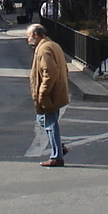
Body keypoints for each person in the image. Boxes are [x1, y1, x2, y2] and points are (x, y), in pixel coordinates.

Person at [25, 24, 70, 168]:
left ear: (36, 35)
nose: (28, 39)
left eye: (29, 36)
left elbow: (49, 73)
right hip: (57, 90)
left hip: (51, 93)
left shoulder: (44, 49)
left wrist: (42, 93)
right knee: (44, 120)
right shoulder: (53, 45)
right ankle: (59, 147)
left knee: (50, 123)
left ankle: (57, 156)